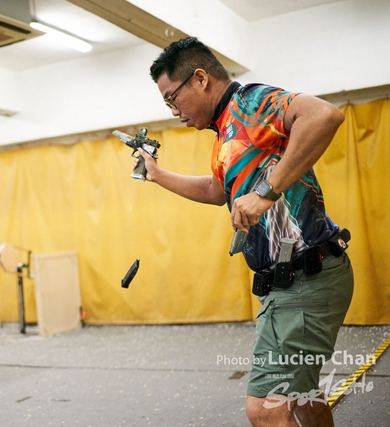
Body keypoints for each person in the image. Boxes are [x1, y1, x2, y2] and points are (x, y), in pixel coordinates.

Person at [137, 37, 354, 427]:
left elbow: (325, 116)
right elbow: (216, 190)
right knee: (304, 399)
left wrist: (265, 191)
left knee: (264, 410)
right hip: (295, 280)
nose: (174, 111)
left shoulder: (250, 103)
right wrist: (157, 174)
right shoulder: (225, 133)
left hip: (305, 279)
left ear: (200, 78)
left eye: (173, 98)